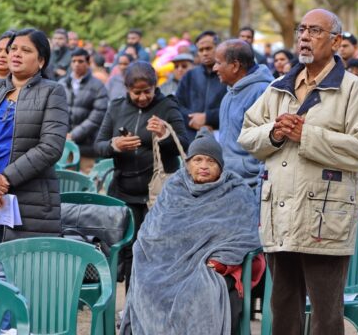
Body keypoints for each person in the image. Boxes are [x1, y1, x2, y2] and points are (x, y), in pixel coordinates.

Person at [239, 8, 358, 335]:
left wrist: (307, 136)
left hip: (324, 218)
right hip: (281, 215)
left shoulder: (353, 90)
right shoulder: (278, 86)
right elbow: (247, 134)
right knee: (283, 308)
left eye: (315, 31)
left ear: (336, 41)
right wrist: (274, 132)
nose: (304, 37)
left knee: (326, 315)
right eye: (302, 29)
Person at [119, 129, 263, 335]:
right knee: (147, 284)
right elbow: (151, 232)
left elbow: (245, 235)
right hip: (167, 265)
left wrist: (220, 260)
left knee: (199, 291)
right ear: (188, 164)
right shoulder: (174, 187)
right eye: (198, 160)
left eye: (211, 161)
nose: (203, 166)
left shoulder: (236, 191)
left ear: (221, 166)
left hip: (207, 266)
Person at [95, 61, 189, 292]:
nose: (143, 97)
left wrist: (165, 135)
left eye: (148, 91)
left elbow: (184, 145)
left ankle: (154, 305)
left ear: (156, 86)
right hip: (124, 191)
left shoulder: (167, 106)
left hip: (157, 194)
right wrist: (114, 145)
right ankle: (130, 307)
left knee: (154, 249)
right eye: (136, 93)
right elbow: (98, 145)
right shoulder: (116, 107)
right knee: (128, 251)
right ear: (127, 89)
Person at [0, 28, 69, 249]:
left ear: (41, 60)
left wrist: (5, 179)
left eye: (25, 50)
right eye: (13, 48)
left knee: (23, 272)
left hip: (31, 200)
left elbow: (51, 147)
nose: (15, 54)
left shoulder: (53, 92)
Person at [215, 39, 273, 190]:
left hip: (251, 187)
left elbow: (268, 146)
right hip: (230, 183)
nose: (215, 68)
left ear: (234, 66)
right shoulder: (229, 94)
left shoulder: (263, 92)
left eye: (218, 63)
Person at [59, 48, 108, 173]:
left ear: (88, 63)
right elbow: (56, 111)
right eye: (74, 61)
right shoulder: (62, 83)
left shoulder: (98, 86)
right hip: (65, 142)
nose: (76, 64)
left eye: (80, 61)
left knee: (87, 179)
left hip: (88, 143)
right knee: (67, 179)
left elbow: (98, 115)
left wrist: (74, 134)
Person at [176, 30, 227, 143]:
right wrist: (194, 120)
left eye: (208, 48)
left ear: (218, 48)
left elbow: (234, 108)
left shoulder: (228, 75)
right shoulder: (190, 75)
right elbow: (177, 105)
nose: (204, 53)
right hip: (192, 137)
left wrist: (208, 118)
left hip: (222, 137)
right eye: (201, 50)